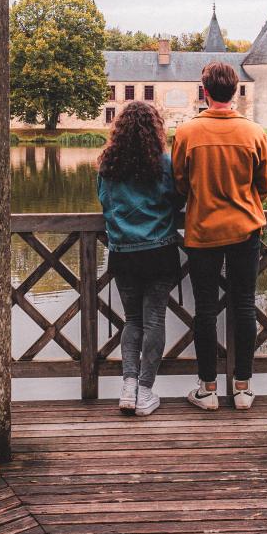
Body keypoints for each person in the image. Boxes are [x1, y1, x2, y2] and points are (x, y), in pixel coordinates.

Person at [172, 61, 267, 411]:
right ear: (234, 91)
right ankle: (242, 389)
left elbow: (180, 184)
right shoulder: (254, 132)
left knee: (205, 311)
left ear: (205, 90)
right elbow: (264, 185)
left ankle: (208, 389)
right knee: (245, 306)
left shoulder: (187, 132)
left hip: (203, 231)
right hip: (245, 228)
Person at [96, 100, 183, 417]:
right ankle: (146, 391)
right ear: (155, 130)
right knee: (153, 320)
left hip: (124, 253)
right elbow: (178, 197)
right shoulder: (164, 163)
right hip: (160, 251)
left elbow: (105, 203)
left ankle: (128, 388)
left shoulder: (108, 164)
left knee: (132, 321)